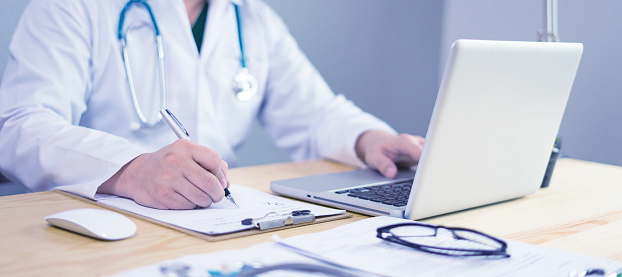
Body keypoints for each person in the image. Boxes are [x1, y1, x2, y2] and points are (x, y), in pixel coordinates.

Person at [0, 0, 424, 210]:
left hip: (216, 218)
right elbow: (20, 123)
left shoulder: (251, 17)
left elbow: (315, 112)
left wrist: (371, 139)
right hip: (101, 219)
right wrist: (133, 170)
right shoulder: (73, 6)